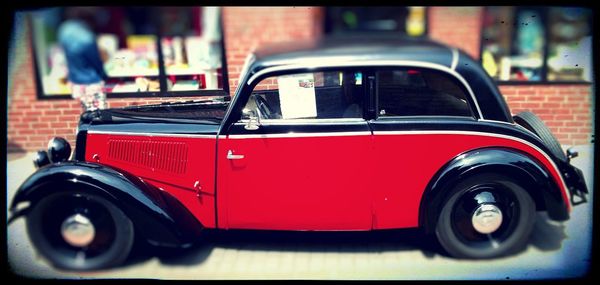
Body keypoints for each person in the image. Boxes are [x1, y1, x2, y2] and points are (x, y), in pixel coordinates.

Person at [57, 19, 108, 111]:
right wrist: (103, 74)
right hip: (91, 82)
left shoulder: (65, 35)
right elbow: (96, 62)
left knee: (86, 110)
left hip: (76, 83)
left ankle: (88, 124)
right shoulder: (87, 40)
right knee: (99, 112)